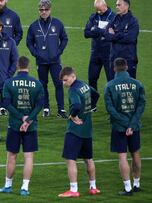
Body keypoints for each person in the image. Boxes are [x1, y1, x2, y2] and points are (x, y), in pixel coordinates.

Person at [0, 56, 44, 196]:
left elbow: (6, 103)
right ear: (28, 67)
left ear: (17, 67)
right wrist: (29, 119)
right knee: (28, 157)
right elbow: (40, 104)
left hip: (14, 125)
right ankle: (25, 187)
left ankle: (8, 186)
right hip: (30, 126)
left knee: (12, 156)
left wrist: (21, 117)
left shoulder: (9, 83)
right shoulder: (37, 83)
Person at [104, 58, 145, 195]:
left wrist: (125, 124)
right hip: (134, 126)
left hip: (119, 127)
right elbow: (141, 105)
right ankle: (137, 184)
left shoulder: (109, 86)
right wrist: (132, 124)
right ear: (126, 67)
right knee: (135, 154)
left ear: (114, 68)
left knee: (122, 156)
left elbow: (110, 109)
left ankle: (128, 188)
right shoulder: (138, 84)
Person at [58, 67, 100, 198]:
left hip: (75, 130)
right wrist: (90, 109)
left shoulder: (73, 90)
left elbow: (76, 106)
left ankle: (73, 189)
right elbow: (96, 94)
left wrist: (73, 116)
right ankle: (93, 187)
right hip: (87, 129)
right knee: (88, 159)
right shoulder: (84, 85)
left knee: (70, 159)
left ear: (72, 77)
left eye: (65, 80)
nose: (64, 84)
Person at [26, 0, 68, 118]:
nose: (43, 12)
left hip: (55, 61)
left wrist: (59, 51)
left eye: (46, 10)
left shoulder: (57, 23)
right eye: (41, 10)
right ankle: (46, 108)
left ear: (50, 10)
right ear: (38, 11)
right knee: (43, 85)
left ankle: (61, 109)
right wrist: (35, 53)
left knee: (58, 84)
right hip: (41, 61)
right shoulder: (34, 26)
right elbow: (29, 42)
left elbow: (64, 39)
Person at [84, 0, 115, 111]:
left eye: (100, 9)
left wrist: (97, 30)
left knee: (111, 80)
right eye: (96, 9)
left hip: (109, 54)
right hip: (95, 53)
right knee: (92, 78)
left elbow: (113, 34)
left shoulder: (113, 17)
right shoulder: (93, 16)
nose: (98, 12)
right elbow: (86, 33)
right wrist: (103, 31)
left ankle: (113, 106)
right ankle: (92, 104)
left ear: (105, 6)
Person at [104, 0, 139, 79]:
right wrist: (121, 35)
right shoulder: (114, 19)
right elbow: (106, 35)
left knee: (129, 85)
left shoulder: (133, 21)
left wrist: (115, 35)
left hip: (128, 59)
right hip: (114, 58)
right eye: (116, 5)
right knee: (113, 84)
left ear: (126, 6)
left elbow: (130, 38)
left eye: (119, 5)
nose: (116, 7)